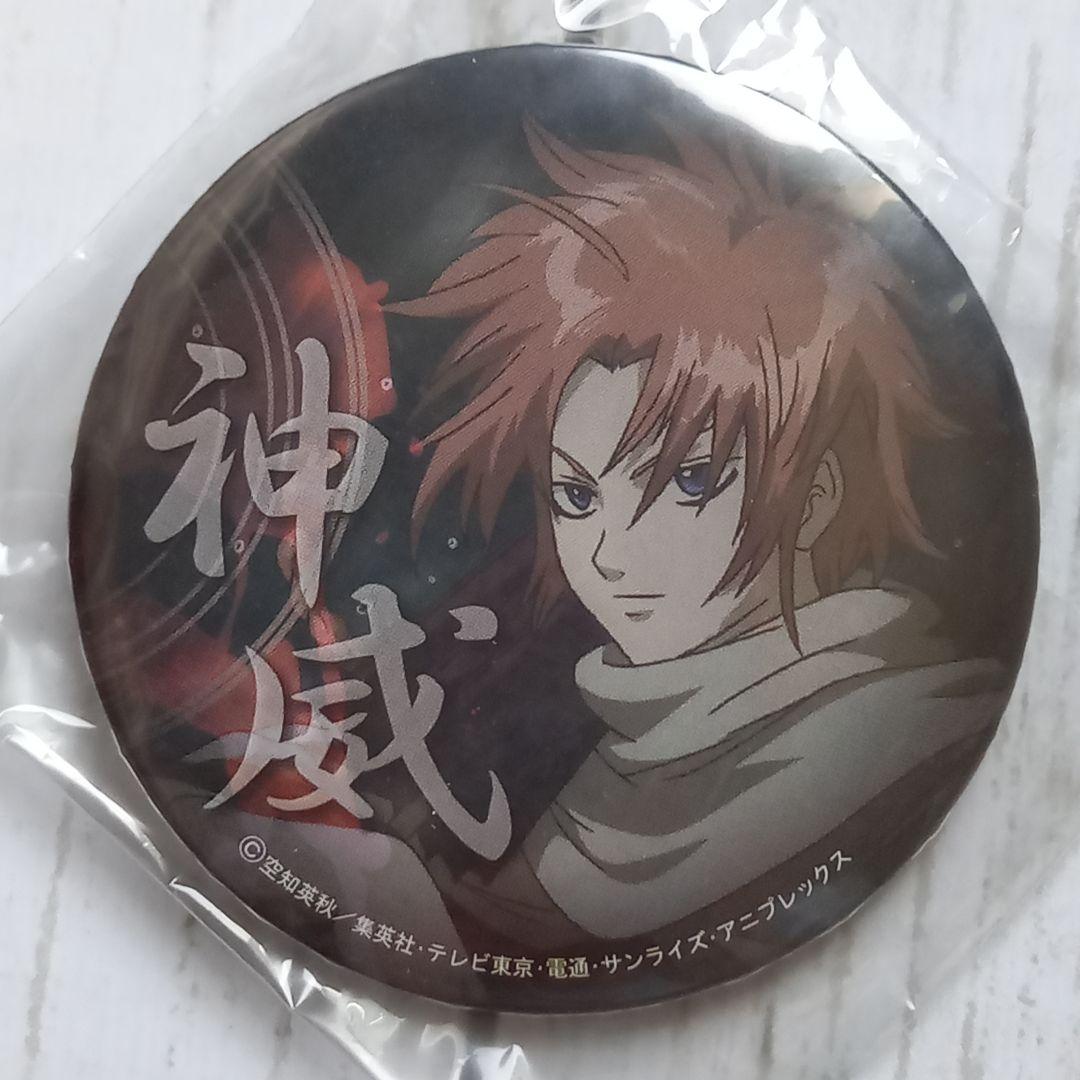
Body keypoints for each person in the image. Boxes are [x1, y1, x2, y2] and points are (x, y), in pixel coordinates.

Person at [386, 117, 1006, 945]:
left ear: (815, 497)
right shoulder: (623, 767)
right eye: (576, 496)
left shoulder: (903, 734)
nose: (611, 555)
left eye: (688, 482)